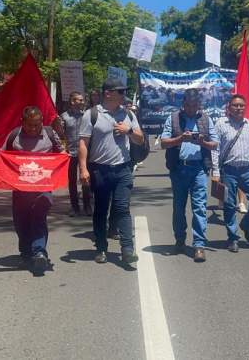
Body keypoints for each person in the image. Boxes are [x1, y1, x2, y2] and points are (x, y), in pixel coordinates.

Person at [78, 78, 145, 265]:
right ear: (108, 93)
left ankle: (127, 249)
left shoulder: (129, 115)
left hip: (123, 169)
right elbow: (83, 143)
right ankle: (100, 247)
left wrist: (129, 131)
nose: (124, 95)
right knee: (100, 210)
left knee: (122, 208)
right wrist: (83, 169)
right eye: (120, 92)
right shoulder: (91, 115)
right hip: (100, 170)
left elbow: (140, 139)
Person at [3, 107, 65, 274]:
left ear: (42, 123)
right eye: (29, 125)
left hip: (43, 187)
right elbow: (4, 156)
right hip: (21, 188)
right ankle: (26, 253)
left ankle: (39, 252)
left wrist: (64, 160)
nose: (33, 128)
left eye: (37, 125)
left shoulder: (50, 134)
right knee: (21, 221)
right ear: (22, 122)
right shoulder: (14, 135)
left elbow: (62, 153)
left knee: (38, 216)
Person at [160, 90, 218, 262]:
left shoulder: (206, 119)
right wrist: (180, 139)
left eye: (195, 105)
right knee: (179, 207)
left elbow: (214, 144)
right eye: (188, 105)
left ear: (199, 104)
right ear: (183, 104)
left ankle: (199, 245)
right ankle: (179, 239)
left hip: (199, 168)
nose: (192, 109)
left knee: (199, 207)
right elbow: (163, 143)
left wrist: (202, 142)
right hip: (179, 169)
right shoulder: (173, 118)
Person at [211, 94, 249, 253]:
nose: (239, 108)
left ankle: (246, 225)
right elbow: (215, 148)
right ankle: (232, 237)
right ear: (229, 107)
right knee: (229, 204)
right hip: (229, 170)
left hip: (248, 169)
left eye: (241, 105)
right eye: (235, 105)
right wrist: (215, 171)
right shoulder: (221, 124)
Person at [59, 92, 91, 216]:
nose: (82, 102)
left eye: (83, 100)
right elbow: (60, 135)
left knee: (86, 179)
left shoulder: (87, 116)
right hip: (70, 153)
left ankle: (87, 206)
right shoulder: (64, 117)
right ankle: (74, 207)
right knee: (72, 181)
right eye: (79, 100)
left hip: (85, 153)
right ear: (72, 101)